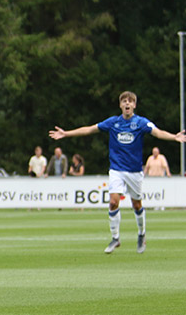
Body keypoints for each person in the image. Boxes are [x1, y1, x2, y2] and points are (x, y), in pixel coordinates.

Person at [50, 90, 186, 254]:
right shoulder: (112, 122)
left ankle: (142, 234)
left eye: (130, 101)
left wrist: (174, 137)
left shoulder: (141, 123)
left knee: (137, 204)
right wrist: (66, 133)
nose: (127, 104)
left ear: (134, 105)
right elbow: (89, 129)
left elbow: (157, 132)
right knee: (113, 202)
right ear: (120, 105)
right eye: (124, 101)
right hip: (116, 170)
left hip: (135, 171)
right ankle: (115, 238)